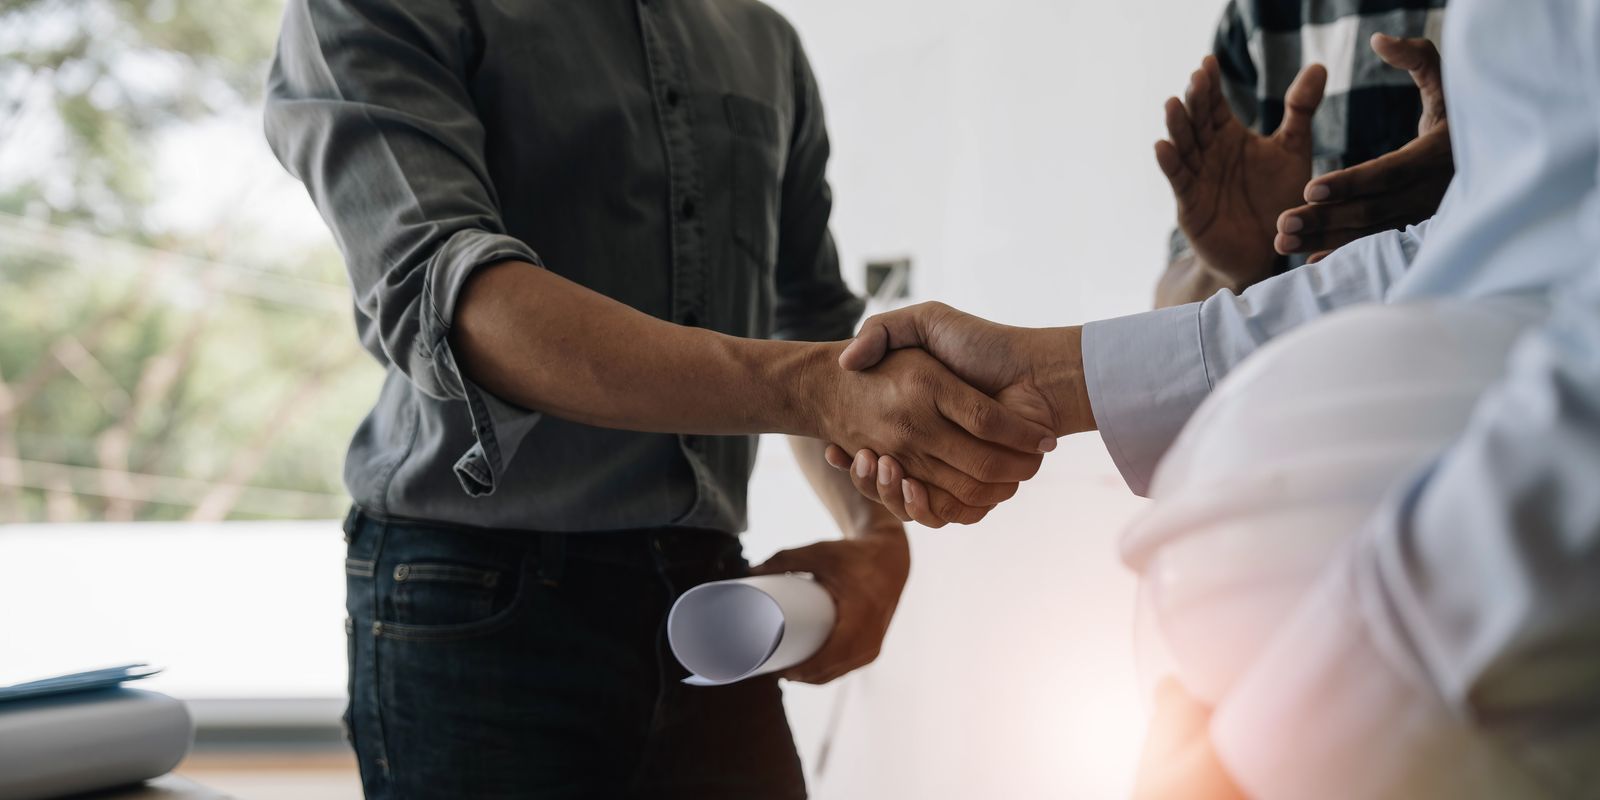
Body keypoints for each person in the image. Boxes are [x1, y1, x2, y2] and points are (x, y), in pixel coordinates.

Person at [263, 1, 1055, 796]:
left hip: (709, 596)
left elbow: (816, 321)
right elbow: (460, 300)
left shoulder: (763, 40)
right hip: (473, 606)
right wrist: (813, 388)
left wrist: (878, 534)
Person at [828, 0, 1600, 795]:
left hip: (1475, 679)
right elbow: (1461, 256)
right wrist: (1061, 371)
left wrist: (1287, 733)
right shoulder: (1266, 21)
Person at [1155, 0, 1455, 308]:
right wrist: (1223, 272)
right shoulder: (1256, 15)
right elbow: (1169, 312)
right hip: (1309, 352)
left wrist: (1470, 190)